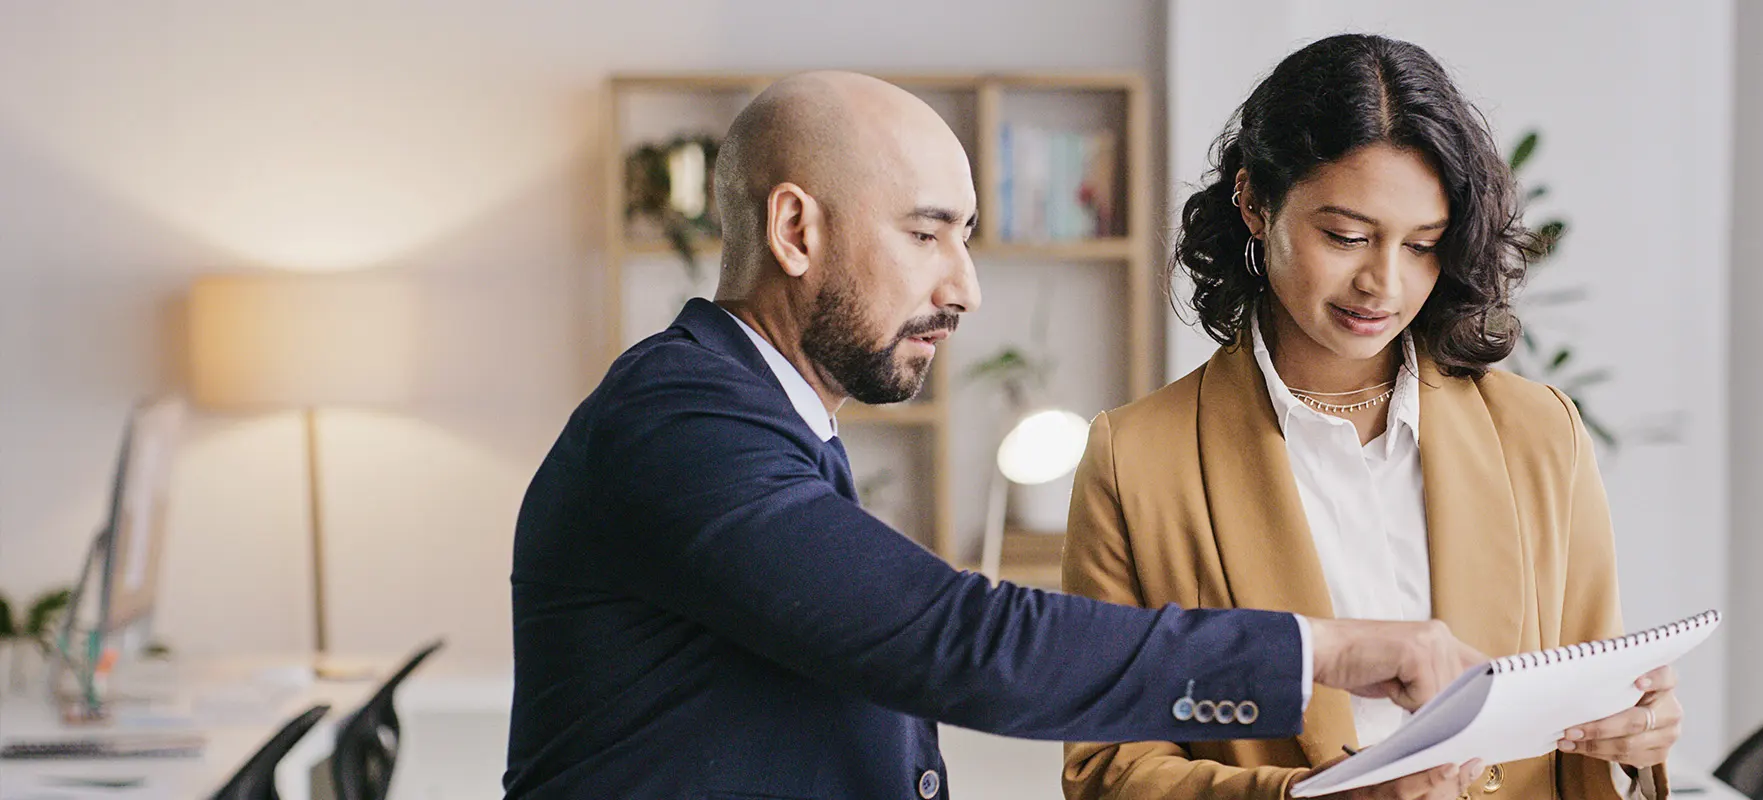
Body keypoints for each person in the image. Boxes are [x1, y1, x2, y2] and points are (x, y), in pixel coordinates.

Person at [506, 71, 1487, 800]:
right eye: (928, 233)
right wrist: (1322, 649)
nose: (964, 287)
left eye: (966, 237)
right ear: (796, 232)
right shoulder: (679, 427)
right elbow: (957, 639)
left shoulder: (770, 423)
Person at [1060, 35, 1681, 800]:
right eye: (1345, 236)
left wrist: (1634, 733)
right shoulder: (1137, 460)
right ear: (1254, 202)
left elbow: (1592, 707)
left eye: (1422, 245)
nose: (1382, 283)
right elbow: (1108, 770)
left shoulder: (1540, 432)